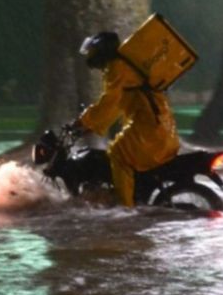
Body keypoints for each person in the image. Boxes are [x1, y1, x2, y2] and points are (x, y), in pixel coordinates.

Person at [72, 31, 180, 207]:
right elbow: (115, 107)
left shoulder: (117, 68)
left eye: (93, 51)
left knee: (117, 153)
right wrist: (91, 124)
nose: (90, 56)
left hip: (149, 130)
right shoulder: (125, 66)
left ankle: (125, 208)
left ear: (102, 51)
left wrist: (84, 121)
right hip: (160, 128)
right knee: (120, 147)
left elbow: (109, 102)